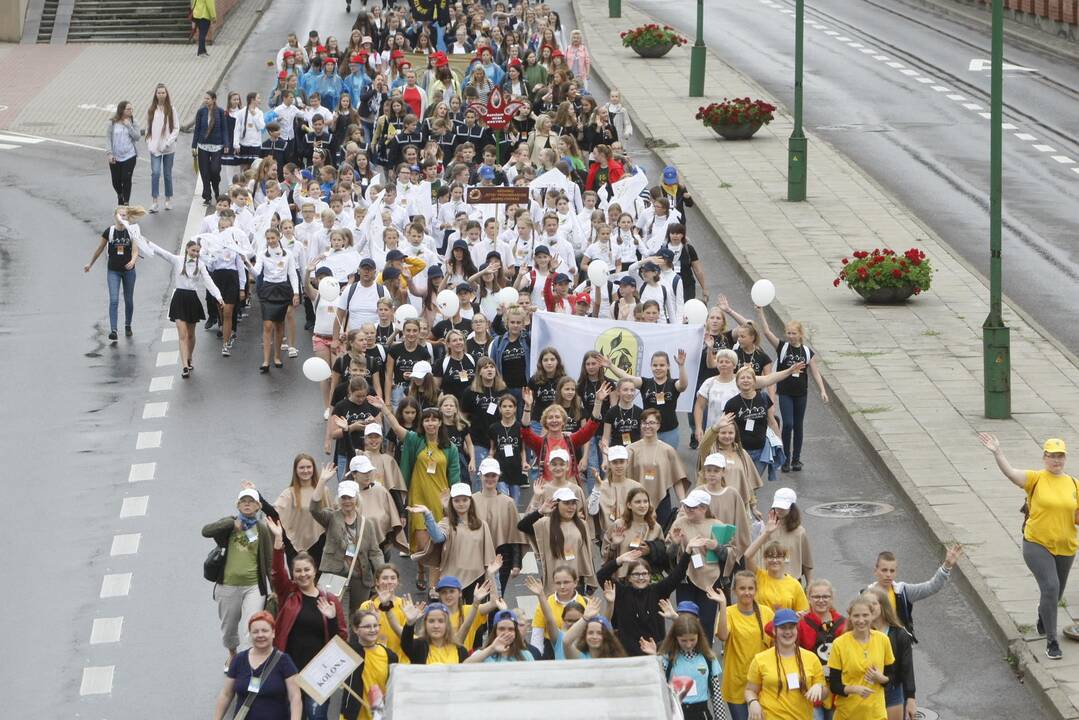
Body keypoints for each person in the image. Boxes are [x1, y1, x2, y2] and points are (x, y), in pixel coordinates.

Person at [979, 432, 1076, 659]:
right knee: (1051, 587)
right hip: (1037, 544)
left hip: (1066, 546)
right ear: (1044, 457)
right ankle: (1052, 642)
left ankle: (1043, 617)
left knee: (1055, 593)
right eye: (1052, 456)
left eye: (1060, 456)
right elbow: (1011, 473)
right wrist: (998, 452)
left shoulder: (1073, 484)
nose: (1056, 460)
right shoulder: (1036, 478)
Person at [375, 398, 461, 589]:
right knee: (424, 546)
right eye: (427, 420)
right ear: (422, 423)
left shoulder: (450, 448)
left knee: (437, 545)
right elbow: (397, 429)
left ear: (440, 423)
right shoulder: (415, 440)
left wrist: (455, 503)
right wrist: (385, 409)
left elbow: (455, 477)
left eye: (434, 420)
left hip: (440, 502)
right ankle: (423, 571)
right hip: (418, 500)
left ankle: (433, 587)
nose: (430, 423)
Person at [267, 518, 347, 720]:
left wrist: (331, 619)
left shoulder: (330, 601)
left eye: (307, 570)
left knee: (317, 716)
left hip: (320, 674)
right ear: (293, 574)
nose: (303, 574)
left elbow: (342, 640)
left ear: (314, 571)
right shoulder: (289, 595)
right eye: (298, 571)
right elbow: (276, 573)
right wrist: (278, 541)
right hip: (290, 670)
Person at [201, 487, 274, 666]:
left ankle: (251, 662)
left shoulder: (262, 529)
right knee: (229, 628)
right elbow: (206, 531)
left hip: (253, 587)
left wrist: (275, 589)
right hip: (228, 585)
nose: (247, 504)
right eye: (243, 501)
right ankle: (233, 653)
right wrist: (230, 525)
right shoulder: (229, 524)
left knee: (254, 626)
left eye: (251, 501)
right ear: (238, 505)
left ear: (258, 506)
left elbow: (269, 560)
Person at [754, 308, 829, 472]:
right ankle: (785, 458)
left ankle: (796, 459)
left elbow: (815, 372)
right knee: (787, 424)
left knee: (798, 425)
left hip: (801, 393)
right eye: (788, 333)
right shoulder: (783, 348)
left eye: (794, 333)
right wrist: (760, 313)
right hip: (786, 392)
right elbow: (767, 332)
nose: (790, 335)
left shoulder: (807, 352)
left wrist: (823, 390)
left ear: (800, 334)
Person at [595, 540, 698, 656]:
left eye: (645, 574)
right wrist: (619, 560)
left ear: (650, 576)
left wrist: (688, 551)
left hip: (655, 652)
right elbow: (601, 575)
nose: (641, 577)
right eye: (636, 574)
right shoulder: (621, 593)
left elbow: (677, 575)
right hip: (627, 654)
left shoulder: (658, 591)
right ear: (629, 577)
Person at [309, 465, 384, 614]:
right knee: (339, 618)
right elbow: (314, 509)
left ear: (356, 498)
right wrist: (322, 480)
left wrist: (382, 574)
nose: (347, 501)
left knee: (359, 618)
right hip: (335, 577)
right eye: (343, 497)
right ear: (339, 499)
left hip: (360, 579)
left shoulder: (366, 524)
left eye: (350, 497)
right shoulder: (331, 518)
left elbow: (375, 552)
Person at [147, 239, 222, 378]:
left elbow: (209, 282)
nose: (195, 253)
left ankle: (189, 357)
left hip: (192, 299)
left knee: (191, 334)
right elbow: (162, 253)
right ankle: (185, 366)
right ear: (187, 249)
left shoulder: (201, 265)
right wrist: (148, 242)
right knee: (182, 335)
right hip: (179, 298)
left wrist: (218, 296)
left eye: (198, 251)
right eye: (193, 250)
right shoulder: (177, 260)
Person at [866, 543, 962, 643]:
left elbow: (931, 587)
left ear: (896, 572)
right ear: (875, 571)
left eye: (892, 571)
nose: (888, 575)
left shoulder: (903, 591)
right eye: (884, 570)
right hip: (875, 649)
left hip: (899, 649)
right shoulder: (865, 595)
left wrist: (947, 566)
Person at [212, 611, 301, 720]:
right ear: (250, 634)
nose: (260, 635)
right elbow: (226, 695)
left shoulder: (284, 660)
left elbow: (295, 697)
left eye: (265, 631)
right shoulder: (238, 660)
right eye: (255, 631)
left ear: (273, 633)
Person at [745, 608, 826, 720]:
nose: (788, 632)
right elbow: (750, 690)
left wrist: (819, 687)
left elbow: (824, 692)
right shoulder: (760, 659)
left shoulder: (811, 658)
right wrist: (753, 702)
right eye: (783, 627)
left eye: (791, 627)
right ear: (774, 630)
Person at [639, 613, 722, 720]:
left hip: (701, 713)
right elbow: (658, 684)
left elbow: (716, 695)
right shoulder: (666, 657)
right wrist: (654, 657)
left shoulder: (708, 658)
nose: (688, 645)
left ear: (699, 637)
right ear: (675, 638)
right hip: (676, 713)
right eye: (683, 640)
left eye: (692, 640)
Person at [717, 571, 775, 720]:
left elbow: (777, 643)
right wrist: (722, 605)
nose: (747, 592)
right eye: (742, 588)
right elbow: (722, 636)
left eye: (750, 588)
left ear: (756, 590)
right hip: (737, 684)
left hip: (763, 683)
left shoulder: (767, 612)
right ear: (735, 590)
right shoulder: (728, 612)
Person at [827, 596, 895, 720]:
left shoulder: (883, 640)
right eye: (856, 616)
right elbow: (834, 685)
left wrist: (881, 678)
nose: (861, 620)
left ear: (872, 616)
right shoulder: (839, 643)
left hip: (876, 713)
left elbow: (891, 675)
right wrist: (853, 689)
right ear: (850, 617)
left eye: (865, 615)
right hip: (848, 714)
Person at [518, 488, 597, 592]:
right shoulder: (545, 523)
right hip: (554, 581)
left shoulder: (582, 524)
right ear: (556, 505)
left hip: (576, 581)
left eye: (573, 503)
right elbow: (522, 526)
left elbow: (587, 554)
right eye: (566, 503)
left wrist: (591, 579)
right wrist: (540, 511)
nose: (571, 507)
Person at [84, 206, 143, 341]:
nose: (122, 218)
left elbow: (135, 250)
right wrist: (90, 264)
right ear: (115, 216)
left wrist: (133, 261)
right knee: (114, 299)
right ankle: (114, 330)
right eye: (120, 215)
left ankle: (128, 325)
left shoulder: (131, 231)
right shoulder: (109, 232)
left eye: (125, 215)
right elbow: (99, 249)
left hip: (129, 271)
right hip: (113, 271)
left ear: (128, 217)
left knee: (128, 300)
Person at [863, 587, 917, 720]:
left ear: (883, 606)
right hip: (865, 691)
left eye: (874, 604)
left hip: (892, 691)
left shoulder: (899, 634)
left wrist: (911, 698)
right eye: (866, 605)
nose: (870, 608)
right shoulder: (857, 633)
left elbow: (906, 669)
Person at [742, 512, 809, 613]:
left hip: (784, 627)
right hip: (761, 626)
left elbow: (804, 611)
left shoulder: (794, 584)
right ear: (764, 559)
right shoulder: (758, 576)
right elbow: (747, 555)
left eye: (778, 556)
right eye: (770, 557)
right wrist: (766, 533)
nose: (774, 560)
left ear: (784, 559)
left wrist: (794, 616)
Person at [341, 609, 399, 720]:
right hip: (352, 716)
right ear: (356, 629)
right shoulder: (350, 652)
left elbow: (393, 688)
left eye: (375, 625)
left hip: (380, 715)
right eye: (367, 626)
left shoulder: (390, 656)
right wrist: (332, 619)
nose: (373, 630)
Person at [145, 84, 179, 212]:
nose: (161, 95)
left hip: (169, 148)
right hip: (155, 149)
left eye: (163, 92)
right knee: (155, 172)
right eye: (159, 93)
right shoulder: (151, 110)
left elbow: (176, 128)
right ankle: (154, 201)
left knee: (167, 174)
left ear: (166, 94)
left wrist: (168, 142)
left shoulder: (171, 109)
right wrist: (150, 143)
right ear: (155, 94)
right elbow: (148, 129)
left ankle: (168, 199)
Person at [192, 91, 230, 205]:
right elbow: (197, 129)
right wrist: (194, 145)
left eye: (208, 98)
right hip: (203, 145)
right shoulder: (201, 112)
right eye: (205, 98)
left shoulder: (220, 112)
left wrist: (226, 144)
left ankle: (216, 188)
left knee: (215, 169)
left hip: (217, 146)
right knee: (204, 172)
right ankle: (207, 195)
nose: (205, 100)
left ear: (214, 99)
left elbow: (224, 129)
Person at [465, 609, 537, 663]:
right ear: (495, 631)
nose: (506, 633)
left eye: (511, 629)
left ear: (516, 632)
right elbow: (464, 667)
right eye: (501, 629)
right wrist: (491, 649)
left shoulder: (526, 655)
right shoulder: (482, 654)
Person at [105, 101, 140, 205]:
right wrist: (109, 153)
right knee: (115, 181)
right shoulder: (112, 123)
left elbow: (137, 137)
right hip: (115, 156)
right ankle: (120, 194)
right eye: (128, 109)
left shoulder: (133, 122)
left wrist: (129, 126)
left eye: (131, 109)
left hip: (129, 155)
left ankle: (126, 202)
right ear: (122, 110)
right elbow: (108, 139)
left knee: (126, 178)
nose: (130, 111)